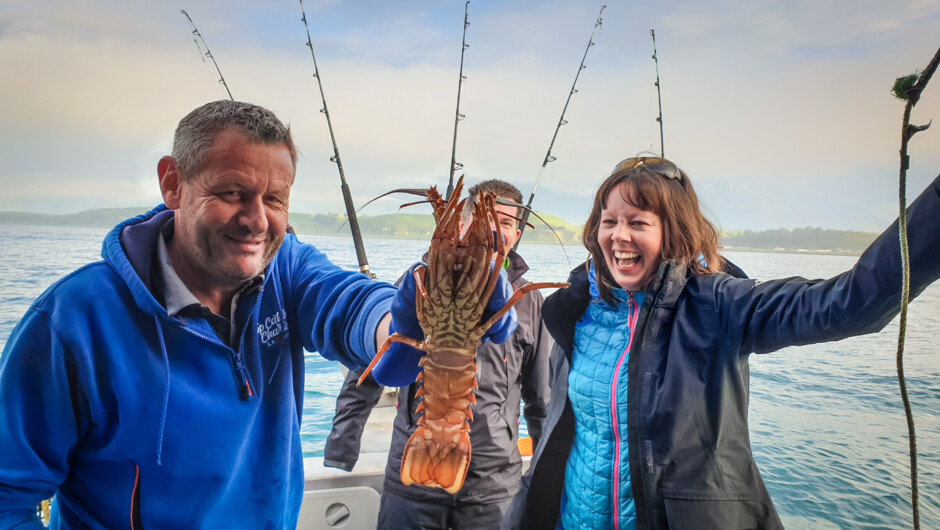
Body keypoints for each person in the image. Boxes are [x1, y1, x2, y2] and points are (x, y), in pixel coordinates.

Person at [0, 100, 516, 529]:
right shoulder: (74, 320)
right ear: (173, 183)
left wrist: (408, 323)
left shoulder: (287, 267)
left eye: (275, 198)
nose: (256, 220)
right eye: (232, 193)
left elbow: (352, 305)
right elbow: (8, 494)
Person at [503, 156, 940, 529]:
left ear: (671, 231)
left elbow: (848, 304)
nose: (619, 236)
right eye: (609, 221)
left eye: (638, 222)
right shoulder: (574, 308)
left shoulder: (717, 303)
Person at [325, 179, 554, 529]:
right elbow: (376, 358)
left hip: (493, 486)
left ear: (518, 235)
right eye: (484, 220)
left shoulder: (529, 302)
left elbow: (541, 397)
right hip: (412, 477)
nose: (495, 230)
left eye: (507, 223)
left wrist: (543, 472)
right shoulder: (419, 280)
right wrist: (342, 444)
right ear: (460, 225)